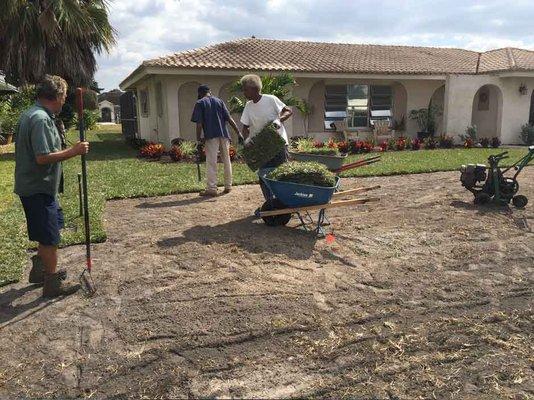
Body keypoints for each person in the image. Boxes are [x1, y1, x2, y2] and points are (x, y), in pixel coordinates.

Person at [14, 75, 90, 298]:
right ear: (56, 95)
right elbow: (42, 157)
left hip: (41, 188)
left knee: (51, 227)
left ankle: (40, 270)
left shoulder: (33, 114)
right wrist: (74, 151)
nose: (65, 101)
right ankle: (51, 283)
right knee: (49, 237)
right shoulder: (40, 119)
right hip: (38, 188)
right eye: (64, 97)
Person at [239, 74, 293, 200]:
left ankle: (284, 202)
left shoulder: (270, 99)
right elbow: (245, 127)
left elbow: (288, 111)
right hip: (262, 146)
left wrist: (279, 120)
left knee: (281, 175)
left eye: (245, 89)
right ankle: (270, 204)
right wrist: (247, 139)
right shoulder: (248, 106)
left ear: (254, 88)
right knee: (263, 177)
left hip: (278, 143)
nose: (244, 92)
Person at [191, 84, 241, 196]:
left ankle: (212, 188)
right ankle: (228, 186)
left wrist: (198, 139)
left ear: (199, 94)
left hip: (211, 136)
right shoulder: (219, 101)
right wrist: (238, 132)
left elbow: (199, 124)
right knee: (227, 160)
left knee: (211, 161)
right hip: (224, 135)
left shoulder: (200, 103)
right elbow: (229, 118)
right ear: (210, 92)